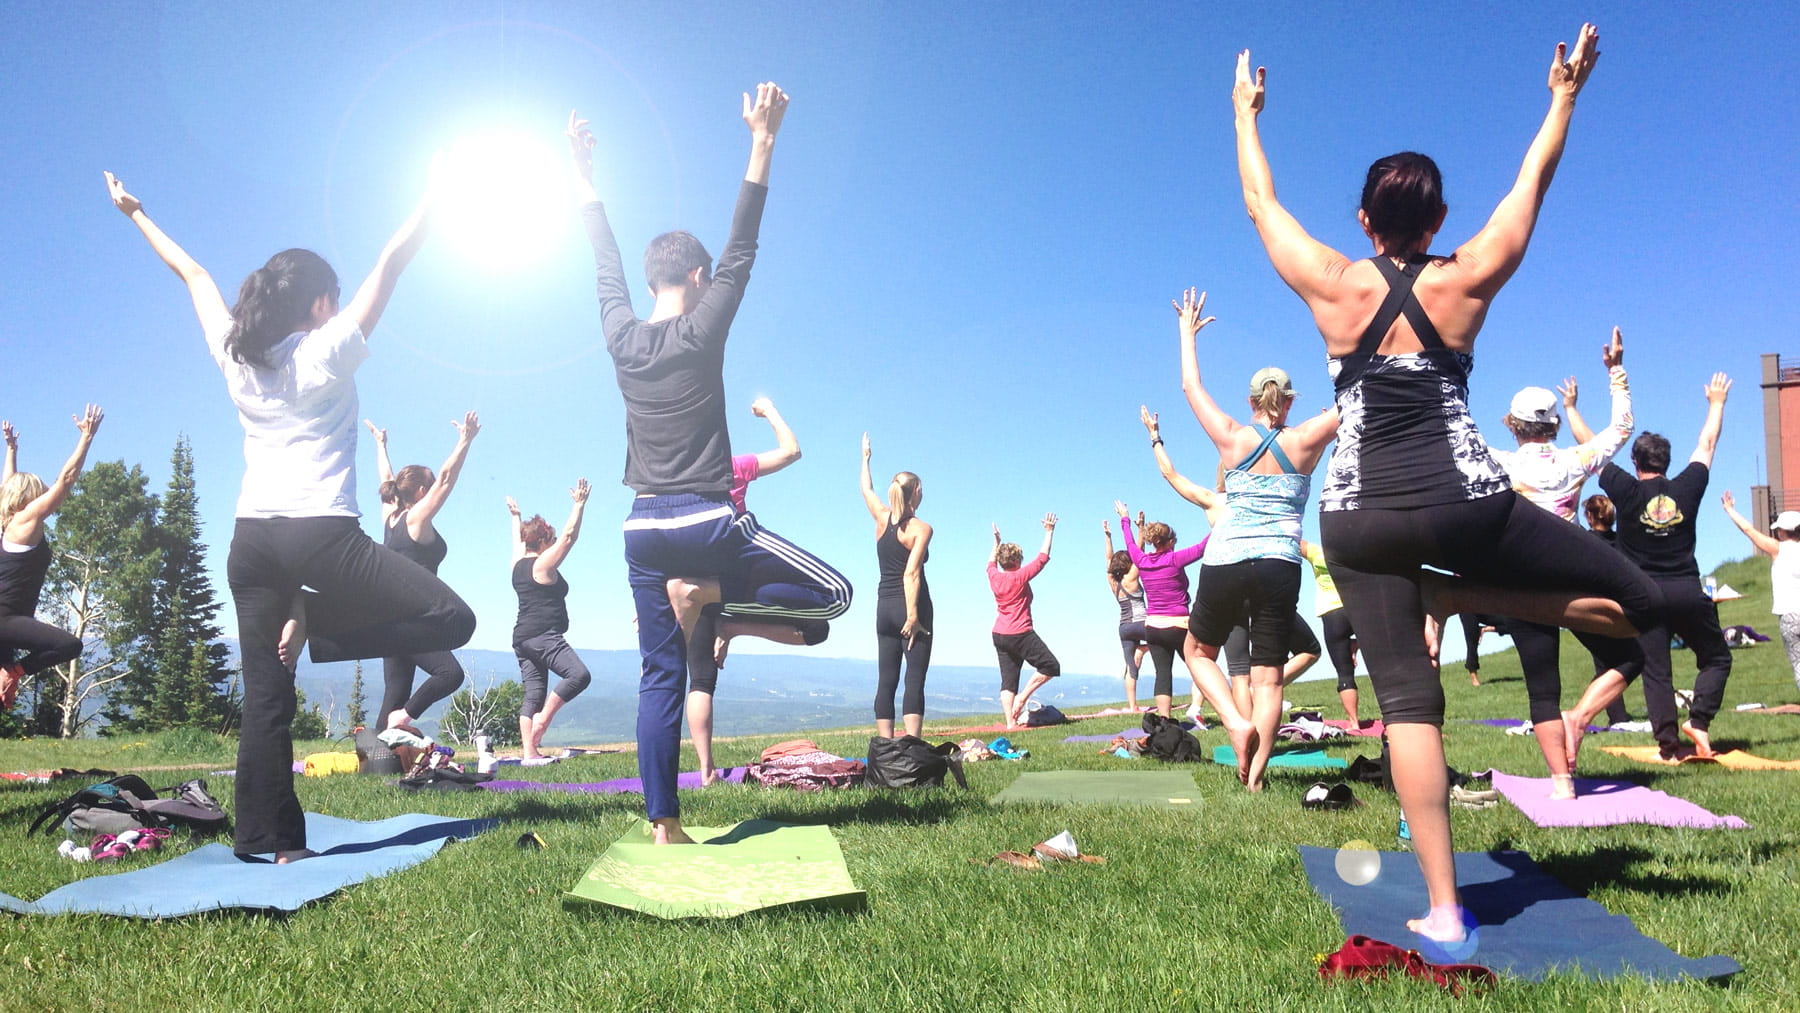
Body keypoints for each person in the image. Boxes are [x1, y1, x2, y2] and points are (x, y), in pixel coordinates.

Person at [1232, 25, 1661, 940]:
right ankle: (1494, 596)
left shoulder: (1335, 284)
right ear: (1434, 222)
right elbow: (1529, 187)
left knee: (1408, 708)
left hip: (1358, 521)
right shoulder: (1465, 276)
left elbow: (1262, 206)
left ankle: (1443, 910)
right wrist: (1563, 96)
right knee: (1637, 600)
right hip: (1468, 503)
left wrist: (1245, 116)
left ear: (1363, 222)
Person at [106, 171, 476, 862]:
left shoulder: (234, 352)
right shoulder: (326, 349)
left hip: (250, 541)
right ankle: (316, 621)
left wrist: (135, 212)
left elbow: (191, 271)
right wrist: (433, 192)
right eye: (329, 296)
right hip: (321, 537)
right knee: (454, 621)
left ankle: (267, 843)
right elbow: (393, 258)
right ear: (316, 304)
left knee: (265, 698)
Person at [571, 85, 851, 845]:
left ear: (654, 278)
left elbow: (603, 264)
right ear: (695, 278)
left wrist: (584, 180)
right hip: (703, 517)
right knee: (835, 593)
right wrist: (763, 141)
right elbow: (744, 245)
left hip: (641, 531)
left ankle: (664, 825)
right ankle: (713, 592)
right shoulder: (702, 329)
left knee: (660, 676)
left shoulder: (622, 337)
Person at [1172, 288, 1339, 790]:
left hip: (1227, 558)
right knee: (1268, 677)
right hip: (1280, 564)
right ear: (1287, 402)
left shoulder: (1231, 436)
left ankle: (1233, 720)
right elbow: (1357, 400)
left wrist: (1187, 333)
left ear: (1250, 402)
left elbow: (1190, 387)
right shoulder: (1307, 438)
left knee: (1198, 651)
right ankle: (1256, 778)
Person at [1487, 328, 1642, 793]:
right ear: (1554, 426)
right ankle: (1582, 716)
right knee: (1630, 657)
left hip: (1522, 582)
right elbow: (1622, 427)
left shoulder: (1499, 463)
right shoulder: (1575, 460)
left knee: (1541, 684)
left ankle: (1562, 783)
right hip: (1572, 574)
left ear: (1511, 426)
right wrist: (1615, 371)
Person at [1139, 406, 1316, 719]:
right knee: (1302, 652)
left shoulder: (1213, 501)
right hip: (1269, 578)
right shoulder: (1265, 494)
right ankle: (1258, 709)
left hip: (1229, 581)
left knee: (1239, 670)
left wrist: (1155, 438)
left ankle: (1244, 725)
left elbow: (1170, 474)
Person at [1598, 376, 1734, 758]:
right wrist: (1717, 402)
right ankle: (1700, 719)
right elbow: (1707, 444)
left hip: (1645, 595)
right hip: (1686, 589)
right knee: (1717, 658)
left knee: (1657, 670)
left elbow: (1591, 451)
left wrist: (1573, 409)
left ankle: (1669, 747)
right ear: (1667, 462)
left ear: (1635, 461)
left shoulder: (1624, 489)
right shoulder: (1688, 486)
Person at [687, 396, 809, 785]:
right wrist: (770, 410)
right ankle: (733, 627)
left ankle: (706, 771)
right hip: (736, 580)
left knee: (700, 679)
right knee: (815, 628)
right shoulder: (734, 467)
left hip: (692, 585)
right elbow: (792, 451)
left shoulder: (679, 479)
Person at [364, 412, 480, 736]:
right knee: (449, 674)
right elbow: (444, 480)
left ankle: (372, 761)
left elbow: (385, 479)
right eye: (426, 489)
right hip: (412, 619)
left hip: (387, 620)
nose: (431, 493)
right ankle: (403, 719)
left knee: (394, 693)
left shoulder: (390, 517)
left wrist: (381, 445)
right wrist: (465, 441)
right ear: (419, 493)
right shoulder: (415, 521)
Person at [1113, 501, 1253, 765]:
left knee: (1162, 674)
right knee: (1200, 668)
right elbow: (1202, 547)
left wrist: (1125, 519)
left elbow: (1131, 544)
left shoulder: (1142, 561)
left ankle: (1163, 725)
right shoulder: (1175, 558)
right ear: (1170, 541)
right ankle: (1215, 711)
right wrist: (1226, 520)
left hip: (1153, 627)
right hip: (1179, 625)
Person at [0, 408, 104, 711]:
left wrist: (11, 450)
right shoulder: (24, 522)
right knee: (69, 645)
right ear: (30, 499)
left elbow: (7, 485)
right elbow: (66, 480)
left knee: (3, 698)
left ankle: (9, 672)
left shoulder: (5, 525)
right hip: (6, 621)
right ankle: (13, 671)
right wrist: (86, 437)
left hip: (7, 626)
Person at [506, 488, 594, 762]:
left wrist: (516, 517)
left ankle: (530, 753)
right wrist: (579, 505)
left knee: (533, 693)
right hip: (543, 635)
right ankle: (543, 720)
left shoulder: (517, 563)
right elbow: (569, 537)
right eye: (551, 539)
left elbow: (516, 541)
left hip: (522, 638)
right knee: (579, 675)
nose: (554, 542)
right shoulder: (542, 565)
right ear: (543, 541)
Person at [859, 435, 931, 738]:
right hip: (908, 607)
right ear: (916, 492)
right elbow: (911, 573)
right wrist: (913, 617)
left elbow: (866, 489)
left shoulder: (881, 518)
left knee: (886, 679)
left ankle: (885, 750)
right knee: (913, 678)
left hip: (883, 609)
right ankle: (913, 748)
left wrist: (865, 458)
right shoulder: (920, 529)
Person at [1721, 491, 1800, 695]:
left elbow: (1748, 530)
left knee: (1798, 662)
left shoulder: (1777, 549)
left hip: (1790, 615)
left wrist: (1730, 510)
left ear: (1783, 532)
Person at [989, 515, 1060, 727]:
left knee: (1008, 681)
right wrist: (1049, 531)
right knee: (1050, 665)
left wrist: (996, 543)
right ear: (1017, 561)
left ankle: (1010, 723)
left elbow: (990, 562)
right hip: (1020, 632)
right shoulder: (1019, 576)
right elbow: (1042, 558)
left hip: (999, 634)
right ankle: (1022, 698)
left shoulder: (994, 576)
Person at [1299, 539, 1360, 725]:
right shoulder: (1358, 557)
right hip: (1358, 611)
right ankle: (1356, 643)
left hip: (1332, 615)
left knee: (1345, 673)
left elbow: (1292, 539)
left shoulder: (1319, 554)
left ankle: (1354, 723)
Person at [1103, 522, 1148, 709]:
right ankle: (1144, 650)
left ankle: (1132, 706)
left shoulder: (1112, 581)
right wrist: (1141, 529)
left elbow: (1107, 558)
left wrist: (1107, 536)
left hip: (1124, 628)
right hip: (1142, 623)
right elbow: (1139, 553)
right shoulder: (1131, 579)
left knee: (1131, 666)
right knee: (1167, 639)